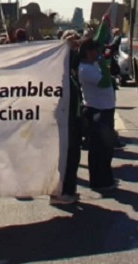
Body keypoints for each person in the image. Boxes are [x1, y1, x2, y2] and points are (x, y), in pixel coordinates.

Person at [78, 20, 117, 191]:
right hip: (96, 111)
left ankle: (106, 179)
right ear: (87, 53)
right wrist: (102, 61)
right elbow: (105, 81)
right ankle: (99, 181)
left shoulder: (91, 63)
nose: (97, 52)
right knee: (99, 150)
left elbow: (99, 41)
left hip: (106, 110)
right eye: (93, 51)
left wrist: (103, 24)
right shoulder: (85, 69)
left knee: (107, 149)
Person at [51, 30, 82, 205]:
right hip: (65, 121)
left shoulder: (69, 74)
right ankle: (61, 193)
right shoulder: (60, 70)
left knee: (72, 157)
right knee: (66, 157)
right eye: (72, 43)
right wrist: (66, 46)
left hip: (72, 120)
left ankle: (67, 190)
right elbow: (69, 58)